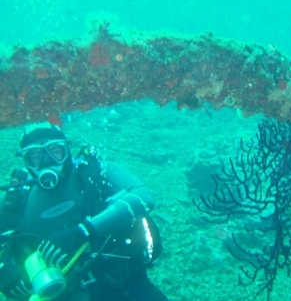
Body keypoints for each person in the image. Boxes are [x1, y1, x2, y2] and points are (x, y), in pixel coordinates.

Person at [0, 122, 169, 301]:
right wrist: (4, 272)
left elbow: (143, 198)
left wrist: (83, 231)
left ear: (67, 150)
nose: (47, 161)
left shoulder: (94, 173)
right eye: (35, 156)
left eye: (55, 151)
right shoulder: (16, 200)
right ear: (25, 162)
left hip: (125, 285)